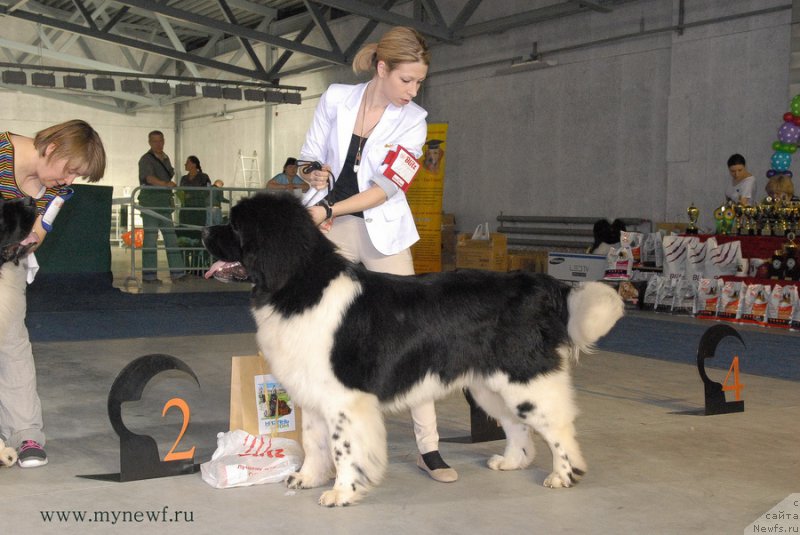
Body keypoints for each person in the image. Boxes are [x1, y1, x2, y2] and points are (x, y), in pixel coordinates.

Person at [298, 26, 457, 484]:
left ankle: (429, 447)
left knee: (412, 330)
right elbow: (307, 157)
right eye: (407, 80)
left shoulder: (414, 120)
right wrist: (312, 175)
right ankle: (322, 451)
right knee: (320, 334)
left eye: (420, 82)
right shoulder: (335, 98)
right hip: (329, 227)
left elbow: (386, 188)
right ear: (382, 68)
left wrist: (329, 206)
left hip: (381, 233)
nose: (414, 90)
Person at [0, 119, 106, 468]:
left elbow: (40, 229)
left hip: (7, 257)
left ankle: (25, 433)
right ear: (51, 148)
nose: (68, 181)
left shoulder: (56, 190)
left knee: (10, 334)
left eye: (77, 177)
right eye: (69, 170)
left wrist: (27, 241)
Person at [138, 130, 186, 284]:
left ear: (164, 141)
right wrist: (165, 184)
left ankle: (178, 273)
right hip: (150, 204)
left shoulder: (166, 159)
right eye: (155, 141)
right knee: (150, 240)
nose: (158, 144)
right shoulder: (145, 160)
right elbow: (149, 178)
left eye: (160, 141)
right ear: (149, 142)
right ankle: (149, 275)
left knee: (171, 239)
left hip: (165, 204)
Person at [178, 155, 212, 238]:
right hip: (185, 209)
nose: (185, 164)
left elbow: (207, 192)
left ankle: (197, 249)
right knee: (185, 231)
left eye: (187, 162)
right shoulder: (183, 178)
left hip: (198, 209)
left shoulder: (204, 177)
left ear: (194, 164)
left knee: (197, 232)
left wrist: (192, 195)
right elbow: (180, 191)